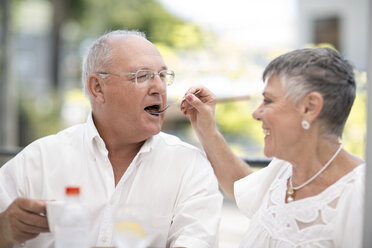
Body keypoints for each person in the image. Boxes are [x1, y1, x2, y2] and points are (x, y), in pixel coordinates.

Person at [0, 30, 223, 248]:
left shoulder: (190, 166)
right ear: (97, 88)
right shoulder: (38, 160)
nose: (159, 88)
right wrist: (4, 231)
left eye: (163, 76)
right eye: (142, 76)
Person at [181, 47, 365, 247]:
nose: (256, 113)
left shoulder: (360, 197)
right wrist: (206, 129)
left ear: (310, 107)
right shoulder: (283, 169)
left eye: (268, 101)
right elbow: (241, 186)